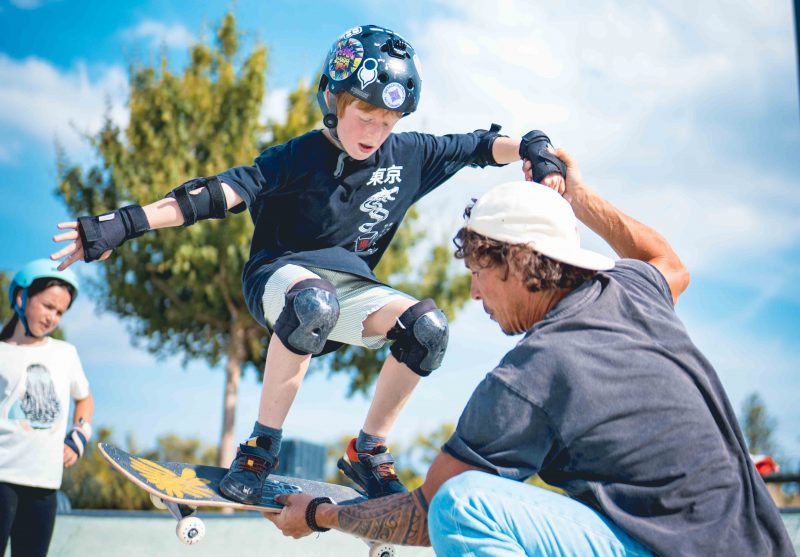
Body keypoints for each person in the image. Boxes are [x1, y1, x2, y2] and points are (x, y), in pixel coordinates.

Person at [50, 24, 565, 504]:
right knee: (313, 303)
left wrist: (533, 148)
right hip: (279, 277)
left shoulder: (408, 155)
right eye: (365, 117)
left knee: (427, 330)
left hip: (352, 289)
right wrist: (122, 224)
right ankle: (260, 448)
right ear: (334, 101)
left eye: (388, 122)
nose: (375, 133)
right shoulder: (295, 157)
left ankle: (368, 452)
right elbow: (213, 195)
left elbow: (479, 146)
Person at [265, 150, 800, 557]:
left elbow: (427, 513)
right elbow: (668, 261)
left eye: (479, 272)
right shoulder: (633, 290)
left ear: (519, 262)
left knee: (464, 505)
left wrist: (321, 515)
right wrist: (579, 197)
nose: (474, 293)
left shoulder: (533, 373)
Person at [0, 259, 94, 557]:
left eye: (60, 312)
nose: (52, 317)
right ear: (22, 297)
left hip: (44, 484)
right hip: (2, 477)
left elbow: (84, 399)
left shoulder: (65, 354)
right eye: (47, 306)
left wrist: (79, 436)